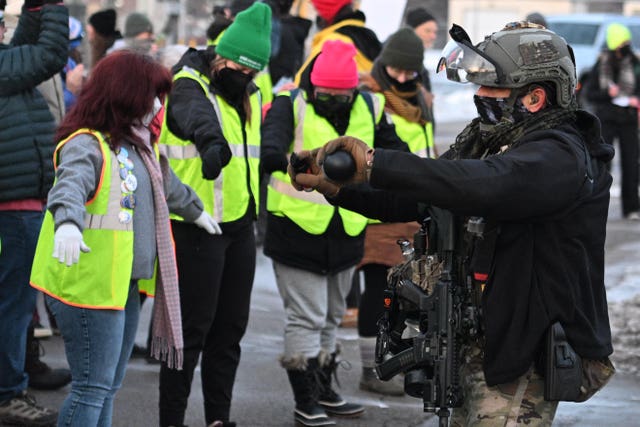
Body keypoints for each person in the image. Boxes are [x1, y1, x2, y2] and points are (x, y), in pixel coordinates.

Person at [289, 22, 615, 426]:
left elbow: (484, 185)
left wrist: (376, 161)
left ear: (534, 96)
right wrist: (339, 187)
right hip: (475, 337)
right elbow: (425, 197)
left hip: (523, 352)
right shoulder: (490, 138)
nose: (480, 96)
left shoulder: (561, 155)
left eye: (493, 88)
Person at [28, 50, 221, 427]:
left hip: (120, 286)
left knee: (106, 386)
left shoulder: (138, 148)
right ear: (125, 94)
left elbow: (167, 186)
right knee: (91, 388)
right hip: (88, 286)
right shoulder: (88, 144)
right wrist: (67, 222)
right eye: (152, 95)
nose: (157, 105)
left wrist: (197, 212)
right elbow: (68, 186)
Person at [261, 39, 409, 426]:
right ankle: (305, 398)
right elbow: (269, 151)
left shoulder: (371, 105)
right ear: (314, 85)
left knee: (330, 316)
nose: (335, 100)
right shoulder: (289, 103)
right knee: (306, 318)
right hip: (296, 229)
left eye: (343, 94)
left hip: (346, 230)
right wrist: (294, 162)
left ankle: (325, 389)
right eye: (327, 93)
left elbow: (396, 150)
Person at [157, 3, 271, 427]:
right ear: (223, 58)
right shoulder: (188, 84)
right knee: (189, 336)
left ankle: (217, 420)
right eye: (244, 70)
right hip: (196, 227)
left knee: (229, 334)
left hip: (239, 227)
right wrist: (210, 145)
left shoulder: (249, 93)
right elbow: (195, 118)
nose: (251, 80)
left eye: (256, 73)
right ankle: (171, 421)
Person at [355, 27, 435, 396]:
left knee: (414, 293)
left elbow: (426, 147)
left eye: (409, 72)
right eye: (396, 71)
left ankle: (406, 362)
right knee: (378, 291)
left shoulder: (421, 98)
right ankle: (372, 368)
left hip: (415, 203)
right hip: (381, 205)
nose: (402, 78)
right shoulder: (369, 94)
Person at [0, 1, 68, 426]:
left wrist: (35, 8)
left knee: (12, 306)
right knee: (12, 308)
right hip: (14, 208)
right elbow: (46, 54)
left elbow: (25, 45)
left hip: (18, 205)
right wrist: (54, 7)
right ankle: (8, 395)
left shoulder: (6, 65)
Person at [585, 22, 640, 220]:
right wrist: (608, 93)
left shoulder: (635, 63)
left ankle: (632, 207)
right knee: (602, 164)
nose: (625, 45)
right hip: (607, 119)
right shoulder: (601, 64)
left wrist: (635, 100)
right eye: (622, 42)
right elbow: (590, 93)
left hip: (628, 119)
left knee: (631, 165)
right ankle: (597, 204)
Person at [295, 0, 382, 83]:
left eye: (317, 9)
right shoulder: (368, 36)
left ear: (326, 11)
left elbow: (303, 82)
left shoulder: (334, 42)